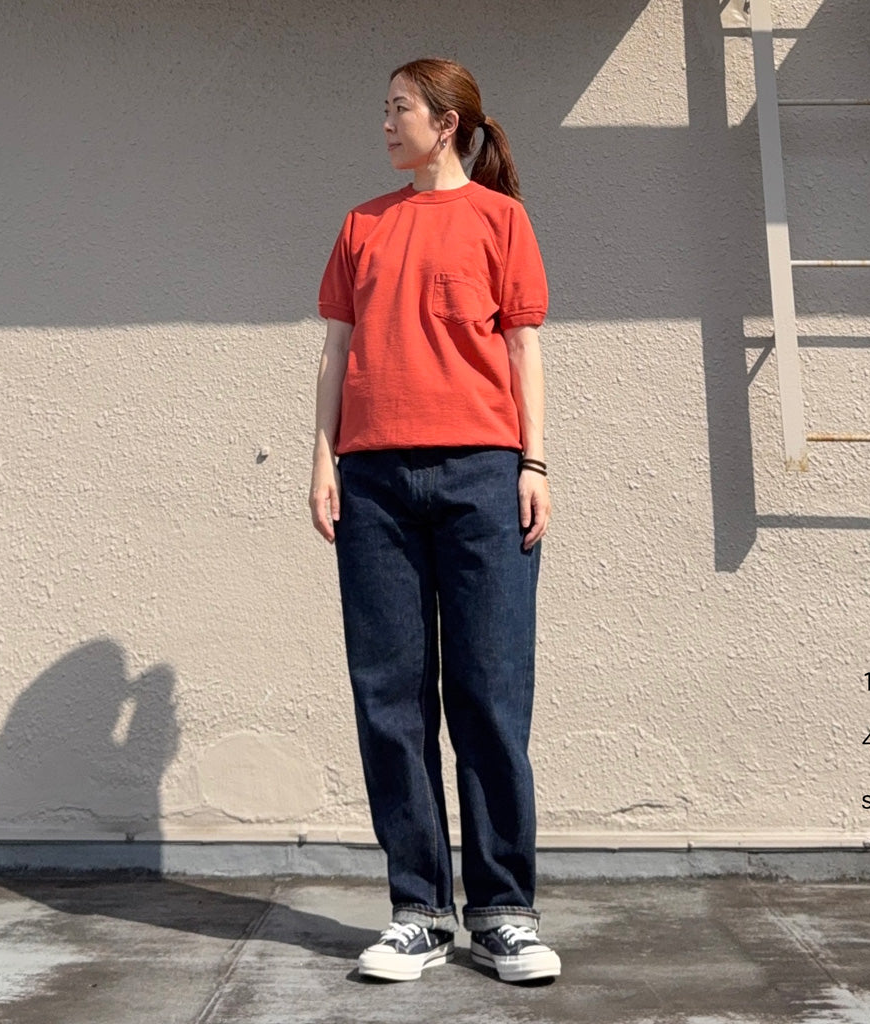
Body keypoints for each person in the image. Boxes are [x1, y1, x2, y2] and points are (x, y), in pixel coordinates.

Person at [309, 57, 559, 984]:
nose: (385, 123)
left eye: (399, 109)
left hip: (483, 477)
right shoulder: (362, 224)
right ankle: (418, 911)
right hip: (373, 481)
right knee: (391, 701)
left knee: (490, 694)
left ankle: (503, 913)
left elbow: (524, 351)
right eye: (383, 109)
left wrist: (534, 463)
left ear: (446, 123)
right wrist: (323, 458)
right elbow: (335, 352)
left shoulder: (502, 220)